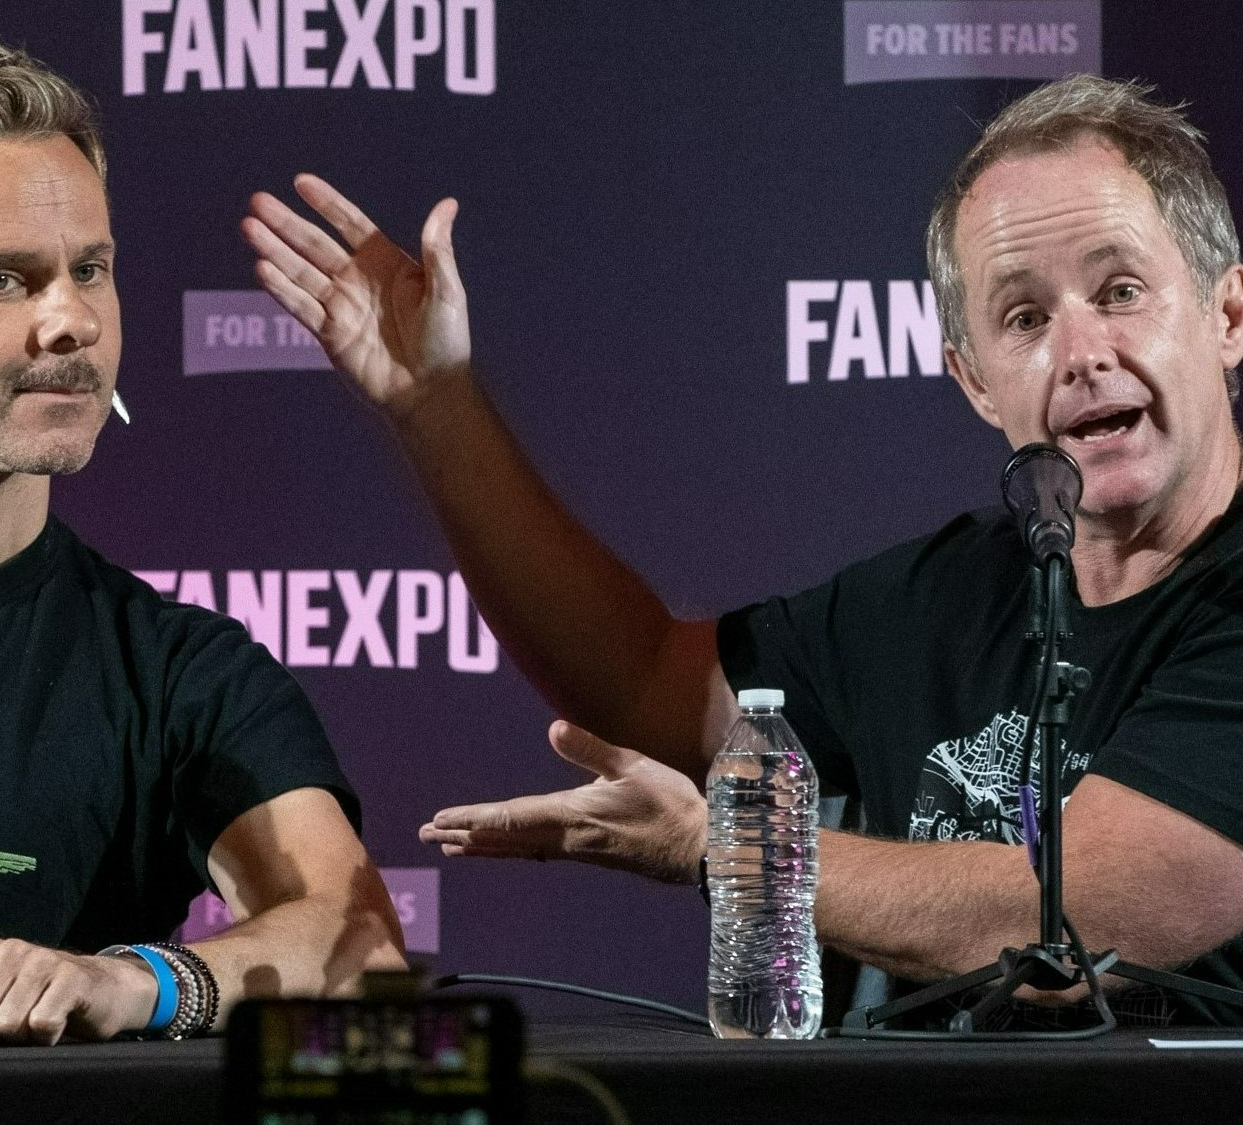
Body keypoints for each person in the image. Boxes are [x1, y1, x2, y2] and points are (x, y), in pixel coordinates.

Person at [242, 74, 1243, 1022]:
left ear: (1226, 314)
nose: (1078, 355)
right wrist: (440, 411)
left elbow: (1113, 906)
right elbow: (642, 685)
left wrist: (725, 848)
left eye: (1117, 292)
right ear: (974, 379)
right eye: (1022, 317)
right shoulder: (936, 599)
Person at [0, 39, 405, 1045]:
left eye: (91, 269)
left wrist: (140, 982)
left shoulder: (177, 671)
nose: (73, 320)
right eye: (5, 280)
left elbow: (360, 953)